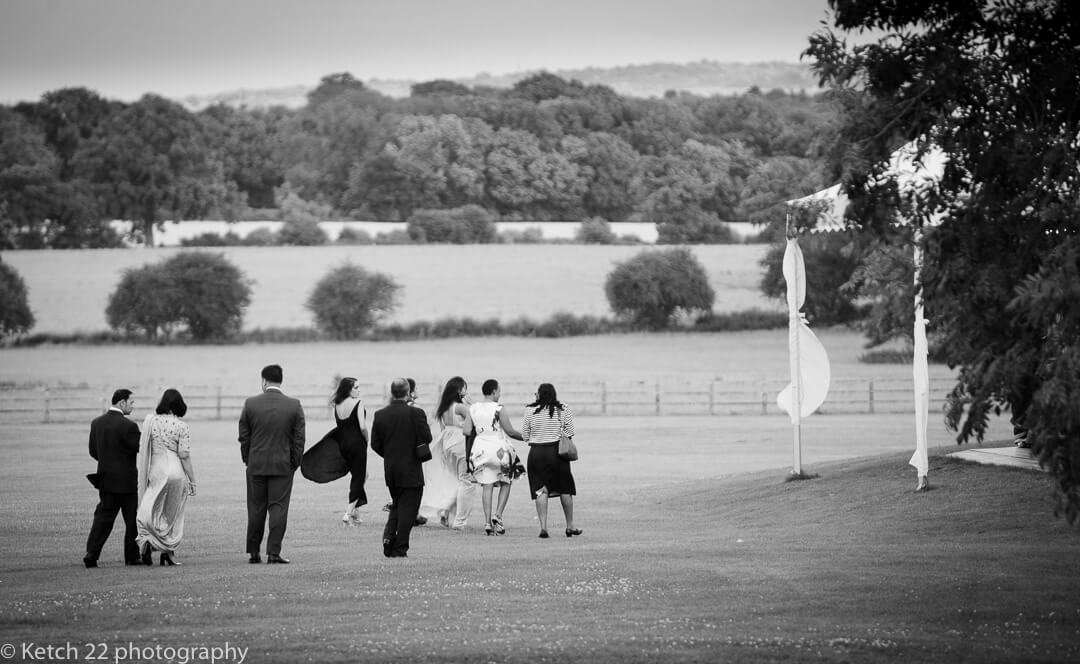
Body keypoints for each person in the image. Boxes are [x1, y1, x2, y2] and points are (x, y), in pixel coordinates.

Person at [239, 364, 306, 564]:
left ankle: (253, 552)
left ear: (264, 381)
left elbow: (244, 436)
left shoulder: (251, 404)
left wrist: (248, 459)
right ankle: (274, 553)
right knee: (278, 508)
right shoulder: (294, 405)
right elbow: (299, 439)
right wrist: (294, 463)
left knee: (256, 508)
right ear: (280, 380)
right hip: (282, 465)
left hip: (256, 464)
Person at [371, 377, 432, 558]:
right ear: (407, 392)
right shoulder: (416, 413)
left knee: (397, 504)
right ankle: (400, 547)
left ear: (392, 393)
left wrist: (390, 455)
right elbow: (427, 437)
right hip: (411, 467)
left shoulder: (380, 415)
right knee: (410, 508)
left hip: (391, 468)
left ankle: (389, 539)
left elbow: (375, 444)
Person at [135, 389, 196, 566]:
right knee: (171, 513)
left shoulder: (151, 422)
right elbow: (184, 455)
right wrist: (192, 480)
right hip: (176, 472)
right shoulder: (181, 426)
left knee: (149, 508)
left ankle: (146, 543)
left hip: (157, 470)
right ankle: (167, 554)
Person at [83, 389, 142, 568]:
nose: (133, 406)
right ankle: (132, 557)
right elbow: (139, 449)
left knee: (103, 518)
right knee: (131, 519)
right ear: (122, 402)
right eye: (131, 402)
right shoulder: (129, 426)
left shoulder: (97, 423)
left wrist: (108, 462)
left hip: (106, 479)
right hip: (126, 482)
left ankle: (91, 554)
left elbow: (93, 451)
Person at [522, 383, 582, 538]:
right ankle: (570, 526)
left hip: (536, 453)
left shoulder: (530, 410)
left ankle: (543, 527)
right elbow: (569, 433)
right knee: (565, 489)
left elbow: (525, 436)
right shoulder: (563, 408)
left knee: (540, 489)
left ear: (539, 394)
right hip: (557, 453)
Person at [469, 379, 525, 536]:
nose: (499, 394)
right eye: (499, 392)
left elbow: (467, 430)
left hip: (480, 448)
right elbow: (510, 431)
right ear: (493, 392)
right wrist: (527, 438)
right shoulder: (499, 408)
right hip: (498, 448)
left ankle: (487, 522)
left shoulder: (473, 408)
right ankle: (498, 516)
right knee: (506, 481)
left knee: (487, 484)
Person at [419, 376, 477, 529]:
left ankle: (445, 511)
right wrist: (471, 404)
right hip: (460, 443)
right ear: (459, 390)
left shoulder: (444, 408)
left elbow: (443, 429)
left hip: (447, 445)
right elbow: (476, 418)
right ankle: (459, 520)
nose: (466, 390)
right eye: (465, 387)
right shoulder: (459, 407)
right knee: (466, 481)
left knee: (455, 481)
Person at [331, 377, 369, 526]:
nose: (359, 390)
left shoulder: (337, 405)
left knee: (362, 475)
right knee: (359, 477)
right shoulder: (358, 403)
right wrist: (367, 438)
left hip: (343, 444)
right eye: (356, 388)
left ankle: (356, 512)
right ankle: (348, 513)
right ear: (348, 389)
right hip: (357, 444)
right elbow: (362, 427)